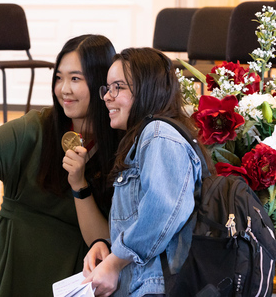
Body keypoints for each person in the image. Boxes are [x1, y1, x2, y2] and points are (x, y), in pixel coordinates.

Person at [0, 34, 120, 297]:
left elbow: (103, 239)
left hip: (69, 273)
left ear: (100, 83)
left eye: (75, 78)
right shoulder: (37, 126)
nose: (64, 89)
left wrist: (79, 184)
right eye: (59, 78)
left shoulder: (120, 142)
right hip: (11, 263)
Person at [83, 47, 209, 297]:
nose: (107, 96)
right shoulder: (147, 137)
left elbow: (163, 211)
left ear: (147, 89)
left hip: (153, 288)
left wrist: (114, 262)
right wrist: (110, 247)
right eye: (107, 88)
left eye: (117, 87)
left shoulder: (158, 134)